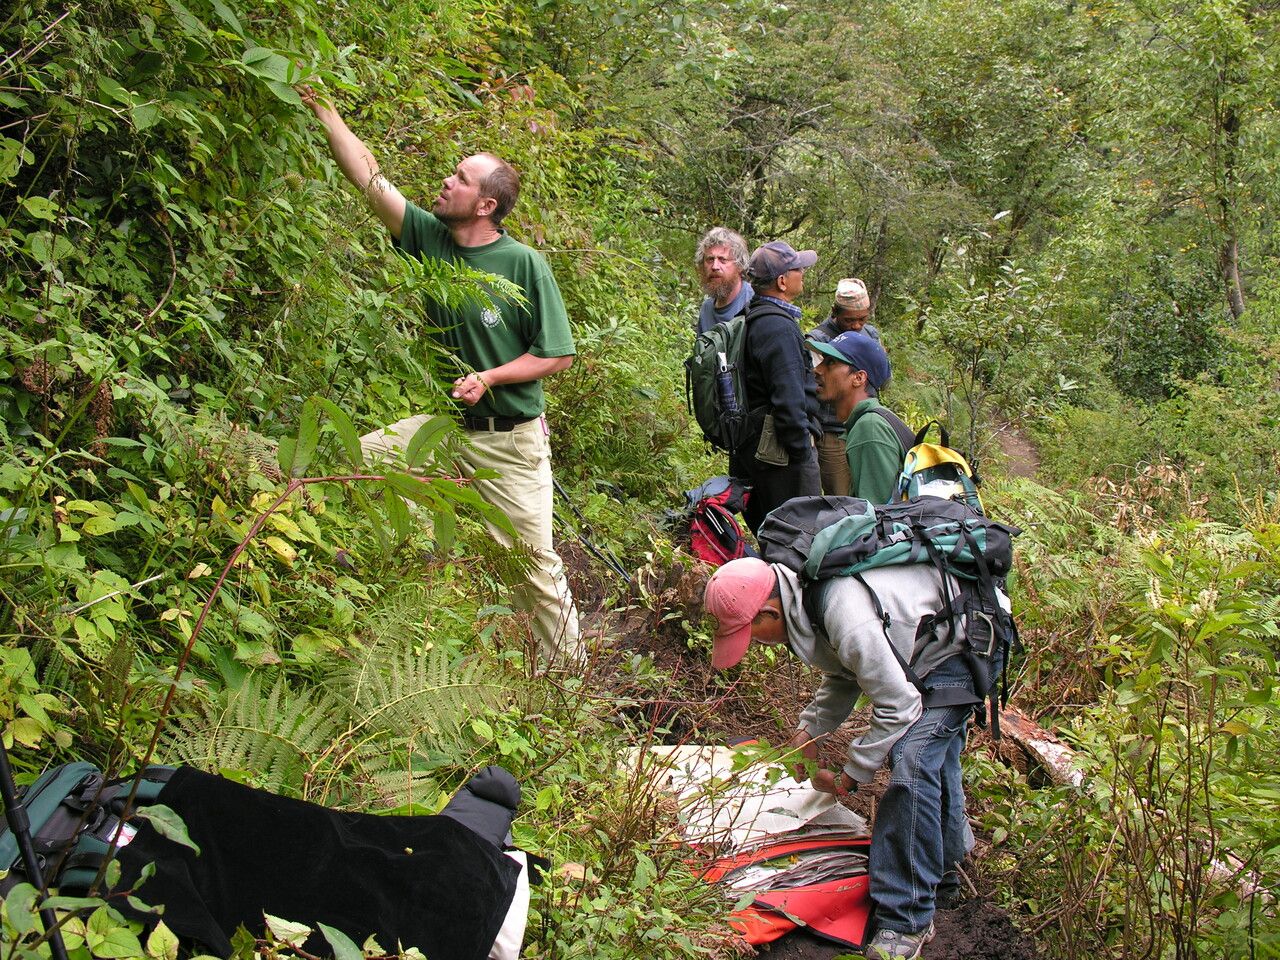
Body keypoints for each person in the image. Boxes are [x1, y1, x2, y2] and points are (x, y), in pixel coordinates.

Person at [300, 87, 581, 665]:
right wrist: (327, 113)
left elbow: (556, 355)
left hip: (510, 443)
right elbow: (371, 180)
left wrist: (492, 376)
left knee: (536, 573)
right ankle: (365, 585)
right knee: (350, 463)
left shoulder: (523, 263)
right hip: (447, 429)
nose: (446, 182)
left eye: (460, 178)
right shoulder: (430, 238)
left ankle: (571, 691)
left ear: (485, 205)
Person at [704, 556, 979, 959]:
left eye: (751, 632)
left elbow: (899, 706)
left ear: (769, 611)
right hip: (929, 643)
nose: (755, 644)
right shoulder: (809, 604)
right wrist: (809, 731)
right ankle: (947, 874)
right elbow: (845, 673)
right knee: (935, 759)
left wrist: (852, 774)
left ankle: (906, 920)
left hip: (960, 647)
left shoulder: (843, 611)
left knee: (912, 761)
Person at [731, 241, 821, 534]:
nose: (803, 273)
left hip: (753, 448)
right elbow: (789, 398)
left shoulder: (751, 316)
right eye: (798, 269)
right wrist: (803, 454)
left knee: (772, 535)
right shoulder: (778, 327)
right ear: (782, 281)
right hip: (781, 458)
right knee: (797, 539)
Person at [808, 331, 913, 504]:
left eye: (830, 363)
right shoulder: (873, 420)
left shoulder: (869, 428)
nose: (817, 369)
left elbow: (877, 517)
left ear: (858, 378)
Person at [807, 279, 882, 495]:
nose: (857, 325)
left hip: (866, 426)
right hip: (832, 432)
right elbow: (815, 387)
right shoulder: (819, 339)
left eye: (862, 319)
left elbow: (880, 375)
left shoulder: (871, 334)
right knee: (841, 498)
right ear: (835, 312)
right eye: (850, 320)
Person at [694, 227, 753, 334]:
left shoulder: (754, 303)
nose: (715, 266)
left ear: (739, 266)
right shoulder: (706, 309)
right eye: (710, 259)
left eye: (723, 260)